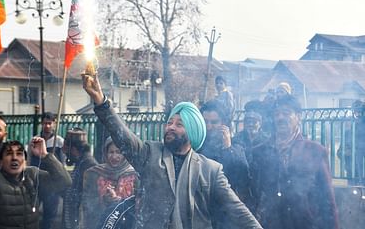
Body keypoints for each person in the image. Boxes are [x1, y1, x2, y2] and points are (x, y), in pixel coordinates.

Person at [82, 74, 262, 229]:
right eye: (169, 123)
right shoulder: (149, 154)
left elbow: (236, 209)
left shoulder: (210, 170)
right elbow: (123, 136)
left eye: (179, 124)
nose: (171, 127)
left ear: (192, 132)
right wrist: (102, 102)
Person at [252, 95, 339, 229]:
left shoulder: (315, 151)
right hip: (269, 224)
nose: (280, 118)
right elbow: (254, 194)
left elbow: (327, 199)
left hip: (305, 224)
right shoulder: (260, 152)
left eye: (286, 113)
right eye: (277, 114)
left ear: (298, 117)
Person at [0, 138, 72, 229]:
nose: (14, 158)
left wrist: (45, 155)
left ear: (25, 161)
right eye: (9, 154)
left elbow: (64, 182)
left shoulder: (33, 175)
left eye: (19, 154)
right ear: (1, 162)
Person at [199, 100, 252, 229]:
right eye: (205, 122)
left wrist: (228, 148)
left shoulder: (236, 146)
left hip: (225, 212)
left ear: (224, 124)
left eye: (214, 122)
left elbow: (242, 175)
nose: (209, 126)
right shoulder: (197, 145)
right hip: (202, 209)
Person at [81, 137, 139, 229]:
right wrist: (104, 200)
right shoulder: (94, 174)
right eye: (111, 152)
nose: (114, 156)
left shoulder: (135, 175)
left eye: (119, 152)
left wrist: (118, 202)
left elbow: (138, 206)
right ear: (105, 153)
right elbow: (88, 205)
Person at [28, 112, 65, 229]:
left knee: (50, 215)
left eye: (49, 123)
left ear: (54, 124)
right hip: (37, 180)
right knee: (32, 212)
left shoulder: (59, 141)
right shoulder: (34, 140)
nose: (47, 126)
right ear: (41, 124)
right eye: (45, 123)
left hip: (52, 182)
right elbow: (29, 160)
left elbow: (62, 163)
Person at [61, 128, 98, 229]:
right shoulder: (81, 163)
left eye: (66, 149)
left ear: (73, 149)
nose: (64, 153)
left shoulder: (89, 166)